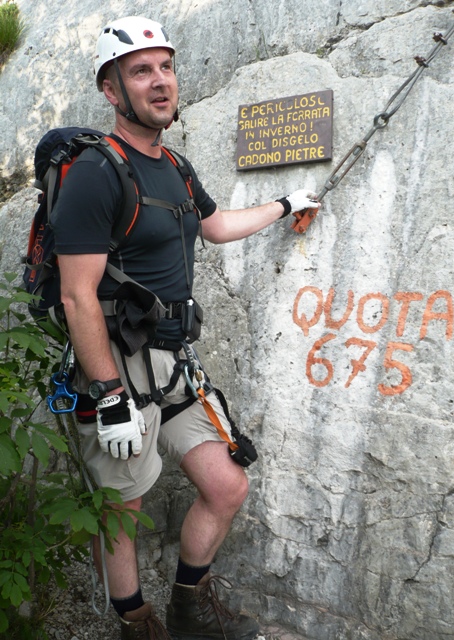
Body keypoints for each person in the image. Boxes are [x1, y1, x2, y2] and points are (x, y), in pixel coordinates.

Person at [51, 15, 320, 640]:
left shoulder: (175, 165)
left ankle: (187, 610)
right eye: (141, 70)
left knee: (226, 486)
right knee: (123, 506)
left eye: (166, 66)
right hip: (116, 365)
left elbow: (216, 224)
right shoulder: (95, 171)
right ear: (111, 89)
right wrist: (111, 396)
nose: (161, 81)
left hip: (174, 363)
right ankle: (136, 624)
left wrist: (287, 205)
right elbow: (76, 294)